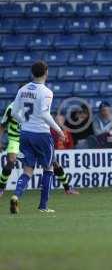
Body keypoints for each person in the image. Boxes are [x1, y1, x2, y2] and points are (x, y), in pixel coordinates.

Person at [9, 61, 66, 214]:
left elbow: (14, 113)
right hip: (41, 134)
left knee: (27, 170)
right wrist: (59, 130)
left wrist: (25, 122)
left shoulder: (23, 89)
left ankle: (16, 196)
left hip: (25, 134)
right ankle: (43, 206)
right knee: (48, 168)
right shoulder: (46, 92)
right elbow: (44, 114)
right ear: (46, 72)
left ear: (32, 73)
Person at [0, 103, 78, 197]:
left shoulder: (35, 105)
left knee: (53, 162)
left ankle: (67, 188)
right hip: (15, 139)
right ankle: (1, 188)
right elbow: (2, 126)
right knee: (11, 161)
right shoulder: (11, 107)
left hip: (32, 137)